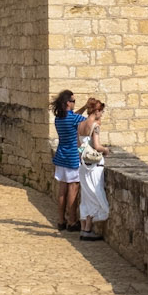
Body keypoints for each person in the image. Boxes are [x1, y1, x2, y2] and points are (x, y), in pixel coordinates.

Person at [52, 89, 86, 230]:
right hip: (73, 157)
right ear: (68, 103)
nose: (74, 104)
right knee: (73, 188)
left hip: (61, 156)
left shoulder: (58, 119)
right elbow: (88, 121)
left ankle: (61, 220)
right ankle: (72, 221)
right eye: (73, 101)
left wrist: (83, 107)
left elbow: (73, 116)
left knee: (62, 190)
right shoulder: (73, 119)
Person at [77, 98, 108, 239]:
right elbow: (96, 146)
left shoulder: (80, 124)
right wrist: (106, 150)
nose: (101, 114)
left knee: (86, 195)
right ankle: (88, 228)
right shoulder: (94, 125)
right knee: (95, 193)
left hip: (83, 165)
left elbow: (80, 146)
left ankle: (84, 228)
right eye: (101, 111)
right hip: (94, 165)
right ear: (96, 111)